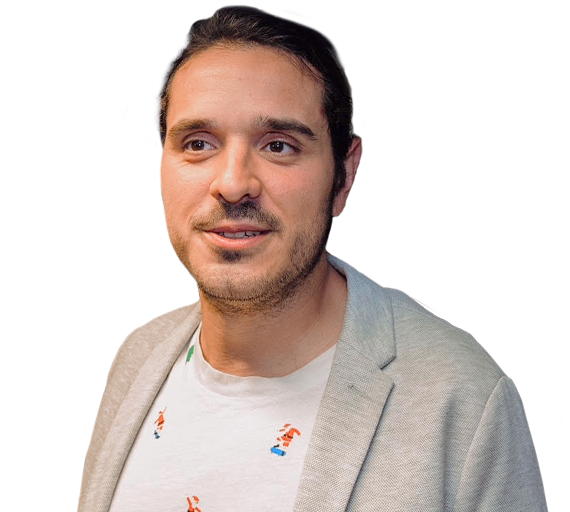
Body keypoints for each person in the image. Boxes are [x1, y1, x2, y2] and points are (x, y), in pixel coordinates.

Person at [78, 8, 548, 512]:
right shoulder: (138, 358)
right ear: (159, 168)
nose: (233, 183)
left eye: (279, 146)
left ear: (343, 177)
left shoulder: (461, 399)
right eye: (197, 144)